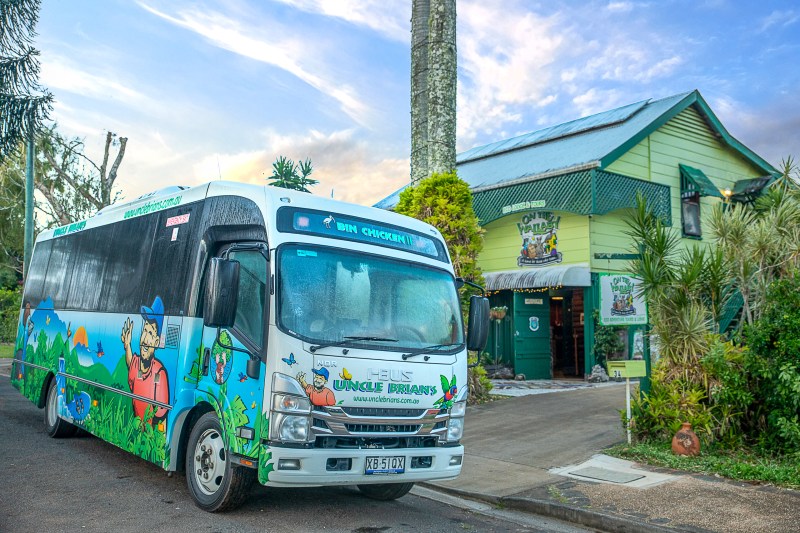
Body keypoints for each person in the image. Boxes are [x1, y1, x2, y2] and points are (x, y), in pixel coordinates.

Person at [121, 296, 169, 427]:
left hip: (148, 436)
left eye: (151, 334)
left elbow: (162, 418)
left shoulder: (159, 373)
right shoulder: (137, 364)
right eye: (145, 331)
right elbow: (131, 363)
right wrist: (127, 346)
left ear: (157, 342)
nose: (145, 339)